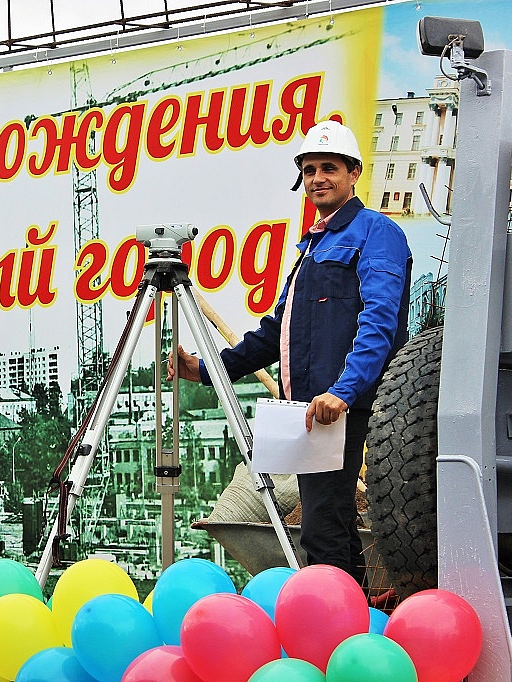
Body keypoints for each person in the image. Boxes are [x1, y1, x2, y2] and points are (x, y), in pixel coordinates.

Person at [169, 120, 412, 582]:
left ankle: (341, 632)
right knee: (328, 524)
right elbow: (276, 333)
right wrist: (205, 369)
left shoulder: (376, 233)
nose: (318, 178)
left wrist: (342, 392)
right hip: (309, 411)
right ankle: (347, 625)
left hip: (344, 406)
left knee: (323, 527)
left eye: (329, 168)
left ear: (354, 172)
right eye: (309, 169)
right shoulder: (312, 247)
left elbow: (378, 321)